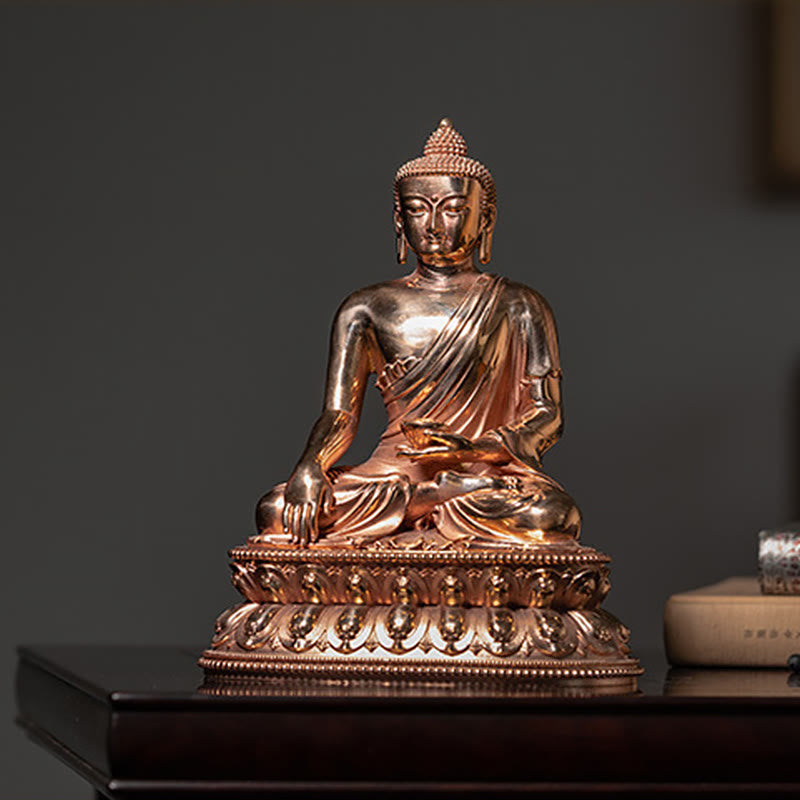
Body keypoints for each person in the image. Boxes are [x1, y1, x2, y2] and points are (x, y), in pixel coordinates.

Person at [252, 119, 581, 550]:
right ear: (398, 218)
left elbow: (546, 415)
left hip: (480, 475)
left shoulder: (519, 303)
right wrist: (310, 466)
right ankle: (431, 499)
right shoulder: (365, 307)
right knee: (276, 510)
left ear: (486, 217)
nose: (434, 223)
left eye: (452, 208)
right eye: (417, 208)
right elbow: (340, 415)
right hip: (393, 472)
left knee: (550, 517)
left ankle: (432, 500)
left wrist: (472, 449)